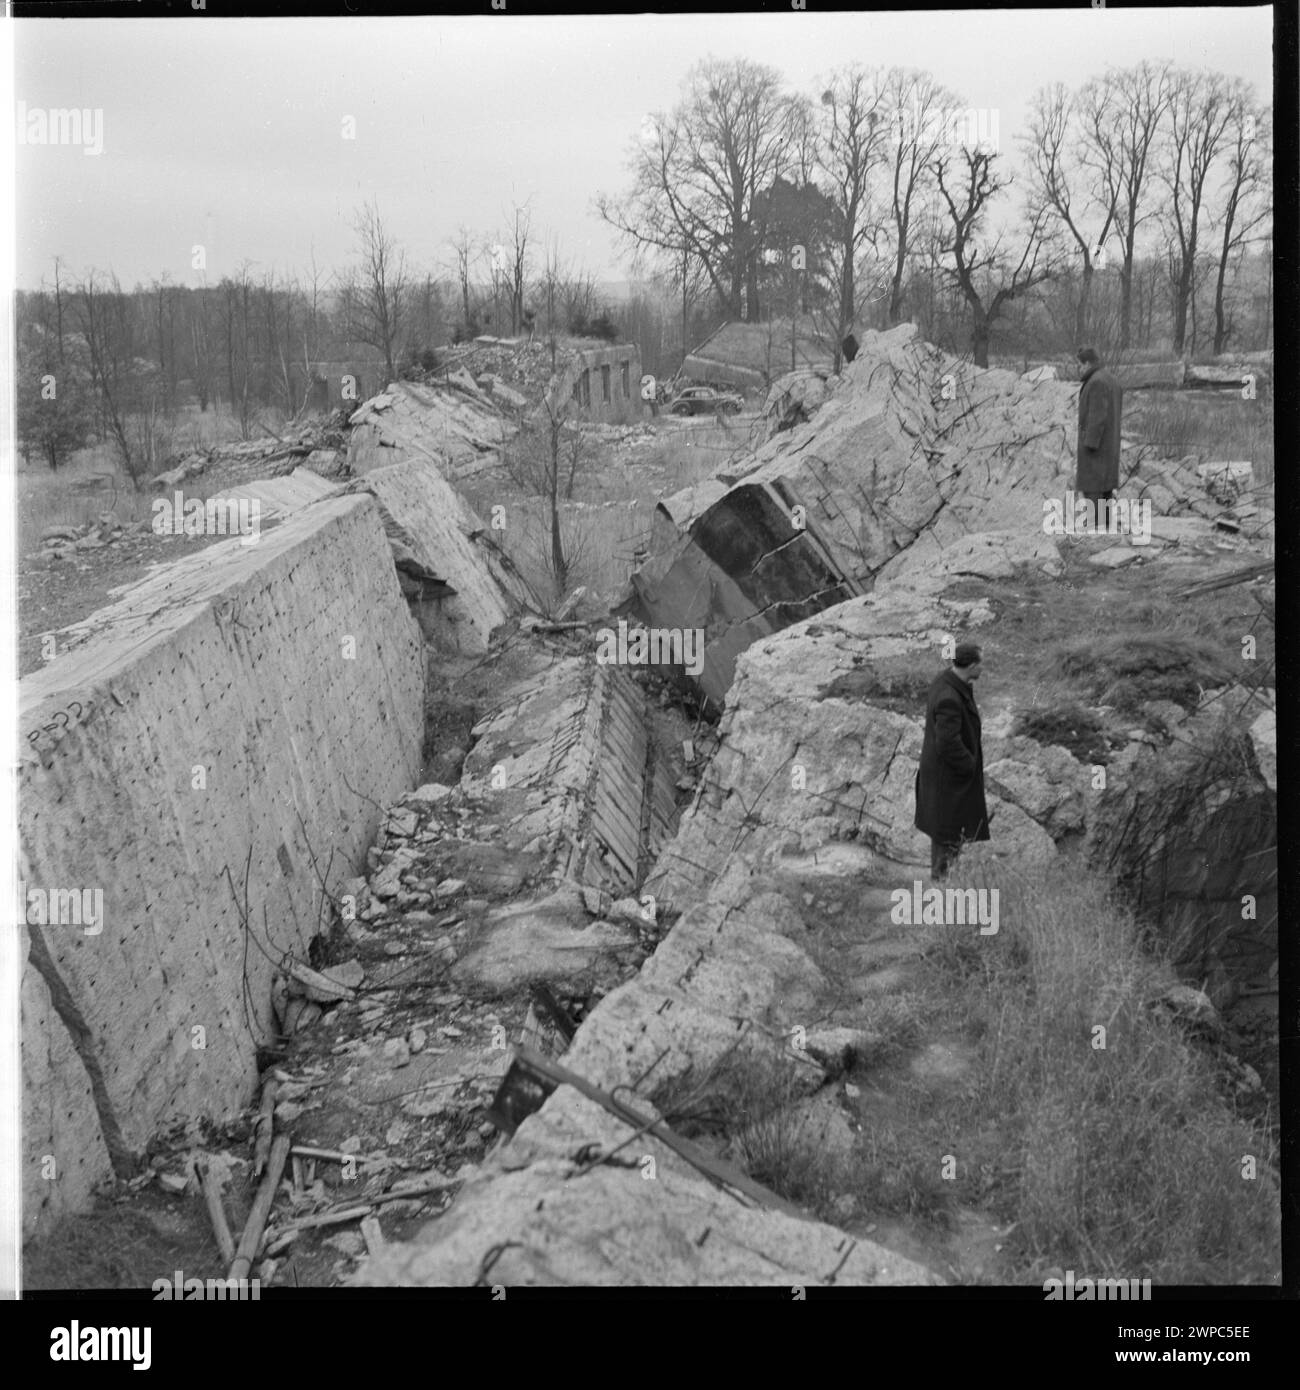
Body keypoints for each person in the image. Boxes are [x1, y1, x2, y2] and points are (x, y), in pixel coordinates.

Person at [914, 642, 990, 880]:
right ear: (972, 665)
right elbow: (948, 743)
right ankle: (941, 889)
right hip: (948, 780)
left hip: (943, 777)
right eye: (981, 663)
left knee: (946, 834)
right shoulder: (950, 697)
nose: (983, 668)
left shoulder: (946, 681)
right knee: (947, 834)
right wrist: (969, 765)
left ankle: (944, 883)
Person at [1076, 347, 1123, 530]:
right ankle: (1104, 534)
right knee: (1106, 494)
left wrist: (1089, 443)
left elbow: (1097, 416)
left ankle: (1095, 538)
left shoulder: (1096, 382)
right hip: (1109, 448)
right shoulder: (1112, 380)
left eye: (1079, 365)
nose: (1079, 369)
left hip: (1096, 452)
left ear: (1087, 363)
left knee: (1093, 493)